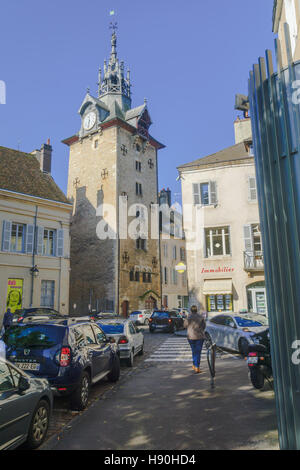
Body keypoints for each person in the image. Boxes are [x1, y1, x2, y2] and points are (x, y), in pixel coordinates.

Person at [184, 305, 206, 374]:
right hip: (199, 337)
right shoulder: (200, 317)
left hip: (190, 337)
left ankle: (194, 365)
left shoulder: (188, 317)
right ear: (196, 310)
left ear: (191, 310)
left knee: (194, 351)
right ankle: (197, 366)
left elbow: (184, 326)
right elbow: (204, 326)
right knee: (198, 352)